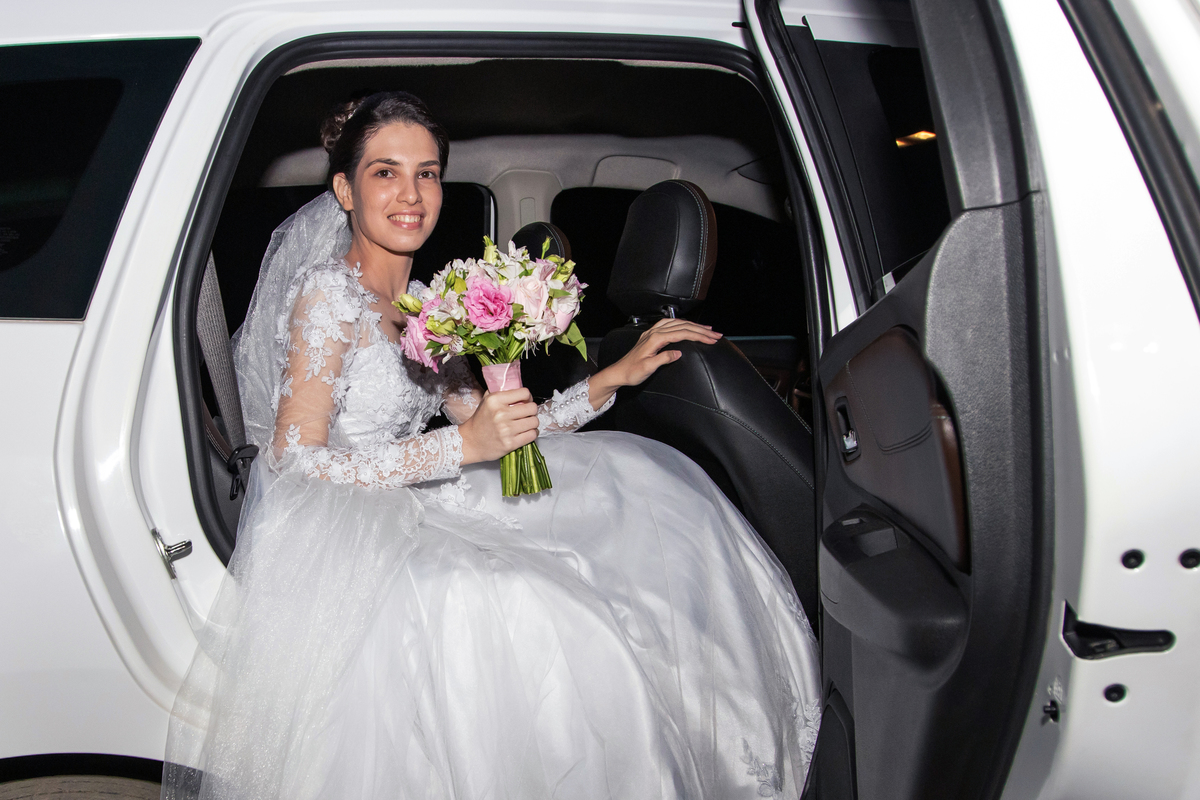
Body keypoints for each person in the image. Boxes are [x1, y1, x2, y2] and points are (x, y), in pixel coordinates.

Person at [162, 91, 820, 800]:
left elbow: (496, 425)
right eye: (386, 173)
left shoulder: (424, 303)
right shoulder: (327, 293)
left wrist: (613, 379)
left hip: (418, 499)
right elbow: (296, 458)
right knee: (515, 600)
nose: (412, 195)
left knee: (634, 492)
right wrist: (457, 451)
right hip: (340, 527)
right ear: (345, 190)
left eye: (428, 173)